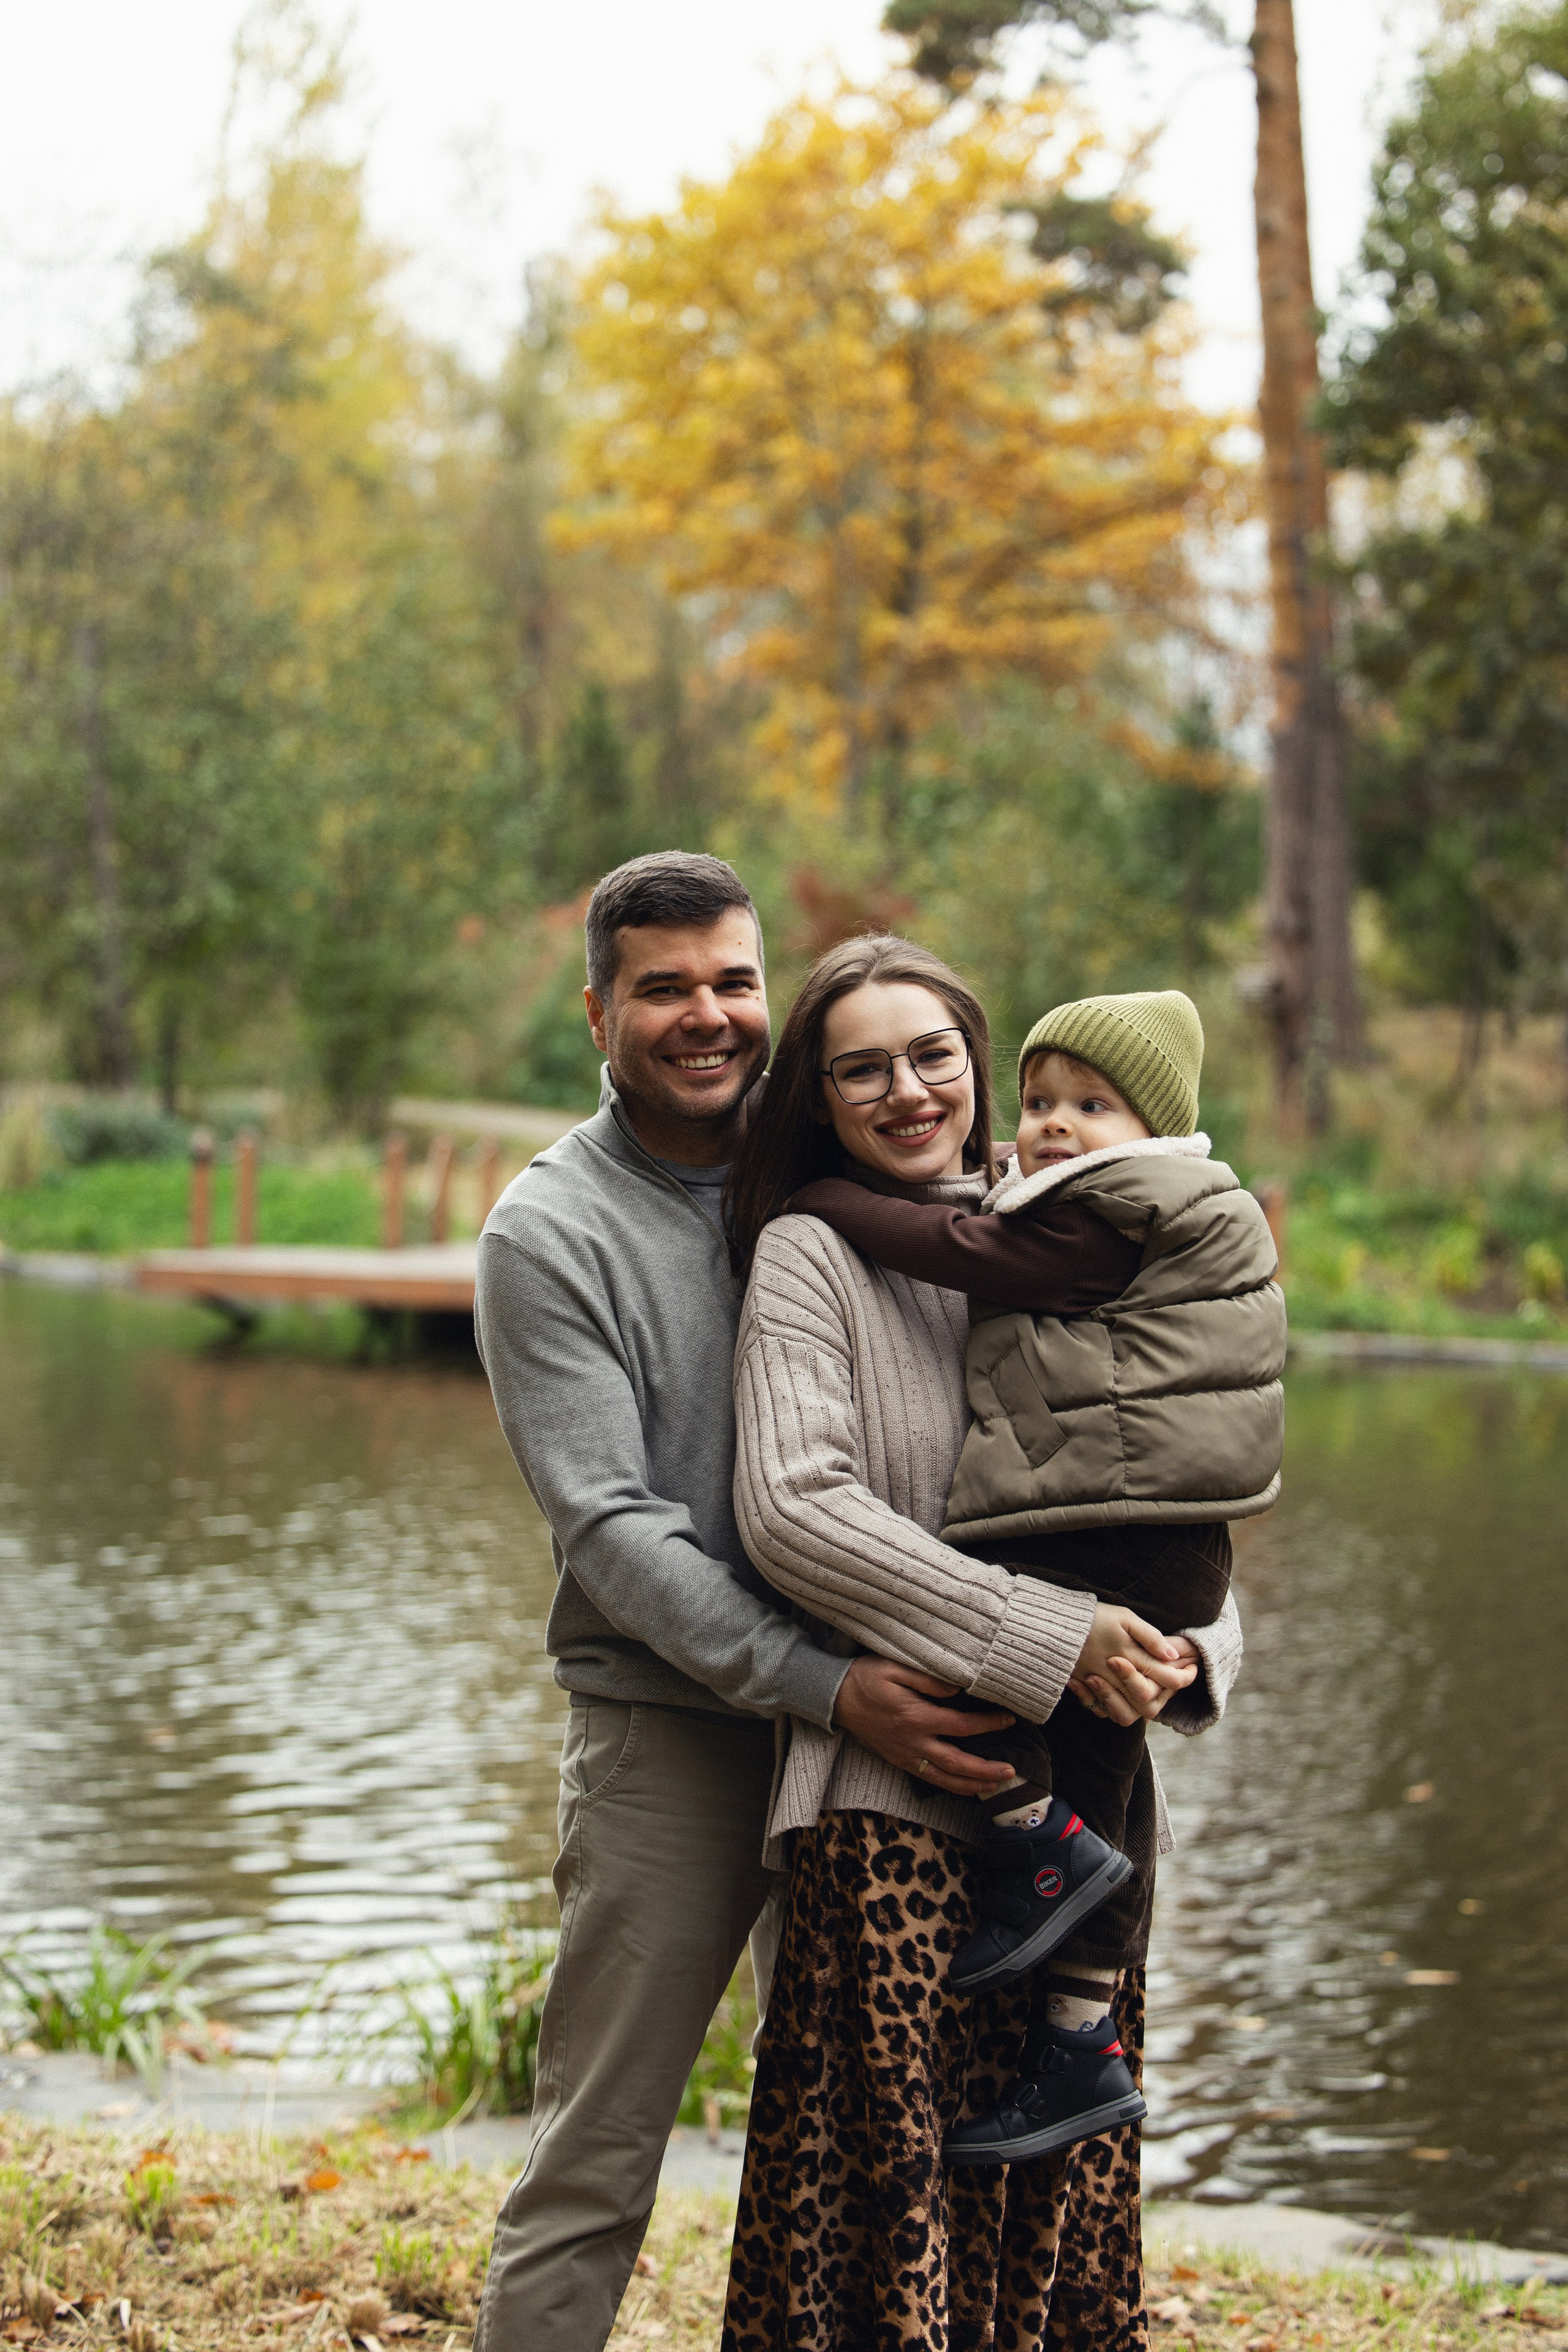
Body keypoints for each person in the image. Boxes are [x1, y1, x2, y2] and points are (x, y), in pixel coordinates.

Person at [470, 856, 1022, 2352]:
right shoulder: (550, 1234)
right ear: (598, 1010)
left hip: (882, 1748)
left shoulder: (845, 1168)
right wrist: (822, 1680)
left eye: (731, 979)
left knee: (868, 2151)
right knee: (596, 2159)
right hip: (682, 1734)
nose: (705, 1014)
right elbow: (609, 1529)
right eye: (662, 987)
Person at [719, 935, 1244, 2352]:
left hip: (1083, 1826)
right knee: (880, 2221)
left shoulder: (1081, 1231)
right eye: (861, 1068)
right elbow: (792, 1510)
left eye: (932, 1054)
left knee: (1049, 2227)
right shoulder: (811, 1251)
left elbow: (1171, 1484)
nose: (907, 1089)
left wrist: (1189, 1655)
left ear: (976, 1062)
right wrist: (1050, 1638)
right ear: (816, 1100)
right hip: (896, 1801)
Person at [788, 988, 1286, 2165]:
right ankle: (1079, 2044)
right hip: (1166, 1537)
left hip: (1106, 1524)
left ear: (1157, 1125)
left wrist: (830, 1201)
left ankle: (1027, 1831)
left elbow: (970, 1247)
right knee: (1106, 1773)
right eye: (1041, 1101)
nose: (1053, 1128)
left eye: (1091, 1106)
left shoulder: (1120, 1210)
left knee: (975, 1622)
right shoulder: (1146, 1197)